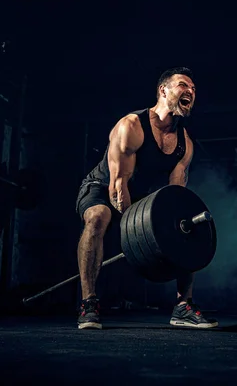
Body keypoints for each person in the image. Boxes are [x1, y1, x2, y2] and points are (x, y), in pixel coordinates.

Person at [74, 67, 218, 329]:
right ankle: (89, 302)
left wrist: (172, 230)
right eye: (183, 85)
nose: (191, 92)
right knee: (98, 216)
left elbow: (176, 196)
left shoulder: (184, 143)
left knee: (186, 221)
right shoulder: (131, 126)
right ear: (163, 91)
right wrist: (137, 235)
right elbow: (118, 187)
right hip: (103, 186)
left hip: (141, 195)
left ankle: (183, 305)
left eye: (194, 89)